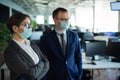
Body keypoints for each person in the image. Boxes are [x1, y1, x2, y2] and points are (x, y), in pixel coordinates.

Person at [39, 7, 82, 80]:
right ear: (54, 20)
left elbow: (78, 56)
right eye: (62, 19)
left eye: (67, 19)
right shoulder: (45, 38)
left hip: (72, 75)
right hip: (54, 76)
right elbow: (43, 61)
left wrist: (80, 74)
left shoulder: (74, 35)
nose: (66, 21)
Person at [4, 13, 49, 80]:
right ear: (15, 28)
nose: (30, 27)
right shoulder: (10, 51)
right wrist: (41, 63)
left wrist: (37, 77)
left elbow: (47, 62)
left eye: (30, 25)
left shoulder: (31, 44)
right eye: (26, 25)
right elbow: (30, 75)